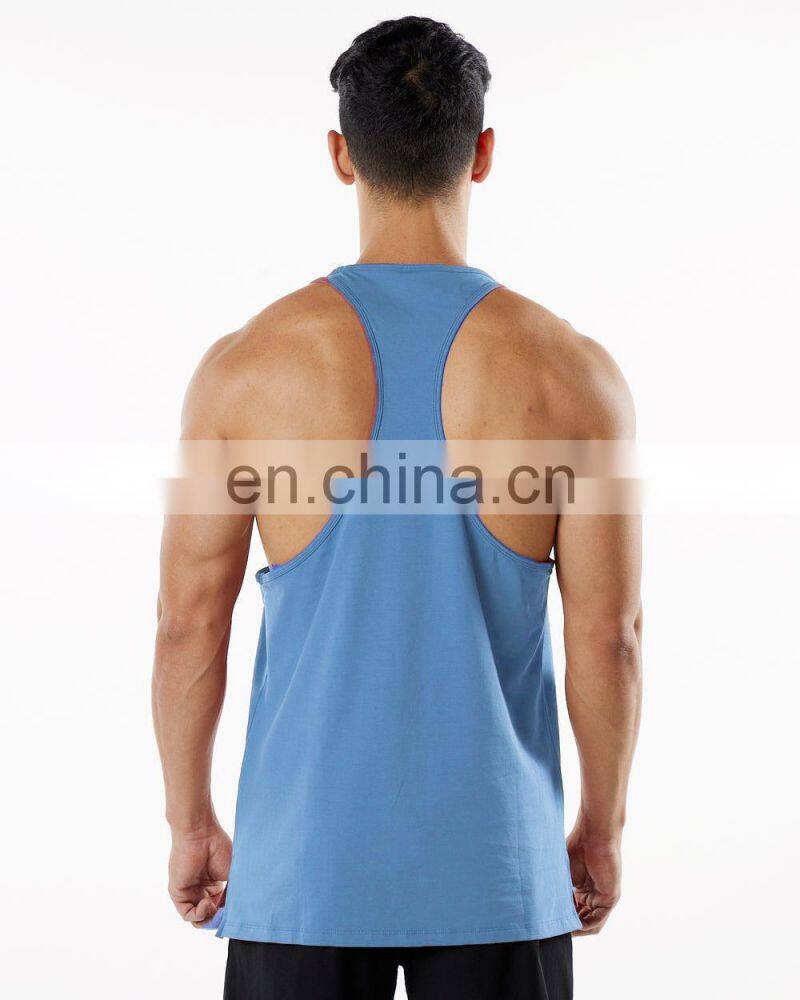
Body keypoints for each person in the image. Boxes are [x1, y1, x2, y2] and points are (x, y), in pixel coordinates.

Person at [152, 16, 642, 1000]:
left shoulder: (243, 370)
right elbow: (609, 635)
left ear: (341, 155)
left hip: (303, 875)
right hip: (499, 877)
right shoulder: (576, 375)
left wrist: (190, 822)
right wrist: (599, 829)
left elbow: (186, 623)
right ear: (482, 152)